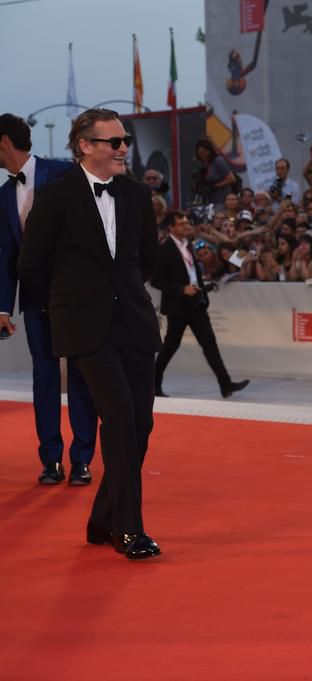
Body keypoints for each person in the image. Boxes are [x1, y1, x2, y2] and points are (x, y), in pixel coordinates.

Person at [19, 108, 164, 560]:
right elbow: (32, 267)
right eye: (115, 142)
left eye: (125, 142)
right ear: (85, 145)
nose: (124, 149)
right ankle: (128, 529)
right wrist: (67, 309)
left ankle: (102, 518)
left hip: (134, 324)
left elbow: (147, 260)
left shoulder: (138, 195)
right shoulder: (55, 196)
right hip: (85, 327)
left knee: (140, 424)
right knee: (119, 414)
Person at [0, 113, 97, 486]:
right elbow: (6, 256)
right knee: (43, 381)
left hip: (75, 296)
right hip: (36, 300)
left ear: (5, 141)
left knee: (80, 376)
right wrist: (4, 307)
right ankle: (51, 460)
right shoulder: (4, 196)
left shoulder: (62, 172)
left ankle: (83, 458)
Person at [151, 211, 250, 399]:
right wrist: (181, 289)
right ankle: (154, 382)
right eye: (181, 224)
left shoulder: (188, 245)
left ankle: (225, 384)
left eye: (187, 223)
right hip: (178, 305)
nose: (186, 226)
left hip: (196, 302)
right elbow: (156, 280)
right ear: (171, 227)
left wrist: (201, 286)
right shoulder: (165, 249)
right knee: (171, 345)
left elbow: (191, 271)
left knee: (209, 344)